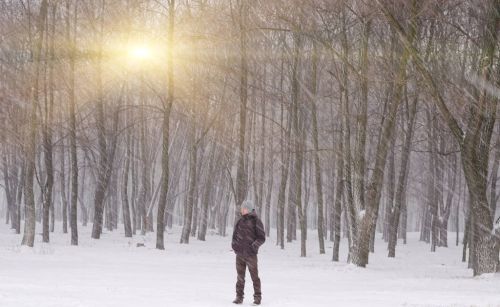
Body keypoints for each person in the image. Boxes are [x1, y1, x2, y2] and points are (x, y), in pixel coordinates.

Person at [231, 200, 266, 305]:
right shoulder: (239, 221)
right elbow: (234, 236)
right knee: (240, 277)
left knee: (254, 277)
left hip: (251, 255)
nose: (241, 210)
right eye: (241, 208)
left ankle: (257, 298)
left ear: (248, 209)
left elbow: (261, 238)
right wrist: (234, 246)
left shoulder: (256, 221)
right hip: (240, 255)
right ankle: (239, 297)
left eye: (243, 208)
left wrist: (253, 247)